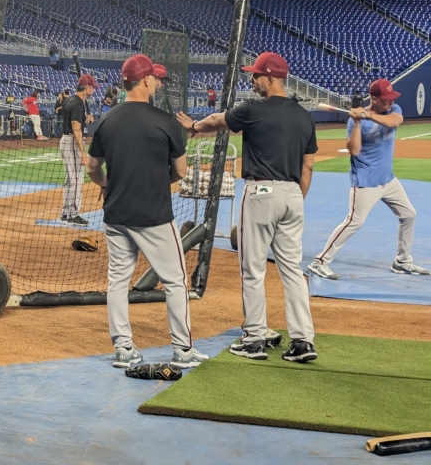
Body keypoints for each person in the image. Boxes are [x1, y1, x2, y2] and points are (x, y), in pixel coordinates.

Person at [176, 52, 318, 363]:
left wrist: (193, 127)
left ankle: (253, 338)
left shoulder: (254, 108)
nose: (252, 80)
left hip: (261, 190)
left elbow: (217, 121)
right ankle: (303, 341)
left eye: (256, 75)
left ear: (270, 78)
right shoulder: (304, 116)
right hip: (294, 195)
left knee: (252, 269)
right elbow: (308, 167)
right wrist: (293, 197)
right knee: (292, 270)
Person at [86, 54, 209, 369]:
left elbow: (92, 169)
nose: (158, 82)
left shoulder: (107, 119)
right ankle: (182, 350)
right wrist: (156, 178)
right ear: (144, 81)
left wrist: (109, 184)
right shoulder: (164, 120)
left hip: (115, 214)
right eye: (155, 77)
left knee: (117, 280)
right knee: (176, 280)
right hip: (153, 215)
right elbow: (180, 173)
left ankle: (124, 349)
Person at [308, 79, 426, 280]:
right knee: (354, 221)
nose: (390, 103)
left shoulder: (393, 109)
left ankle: (402, 261)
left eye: (391, 99)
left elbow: (394, 122)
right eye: (385, 100)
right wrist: (358, 121)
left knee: (409, 215)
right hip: (366, 181)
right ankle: (320, 261)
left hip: (388, 180)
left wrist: (367, 114)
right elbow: (354, 150)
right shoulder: (355, 121)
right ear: (374, 98)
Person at [60, 74, 98, 225]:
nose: (93, 90)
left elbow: (75, 123)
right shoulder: (78, 104)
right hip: (72, 142)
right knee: (77, 180)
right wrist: (83, 153)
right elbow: (76, 130)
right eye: (92, 87)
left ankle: (66, 213)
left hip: (67, 140)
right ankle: (73, 214)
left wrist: (84, 121)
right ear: (87, 88)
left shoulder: (71, 100)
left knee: (70, 179)